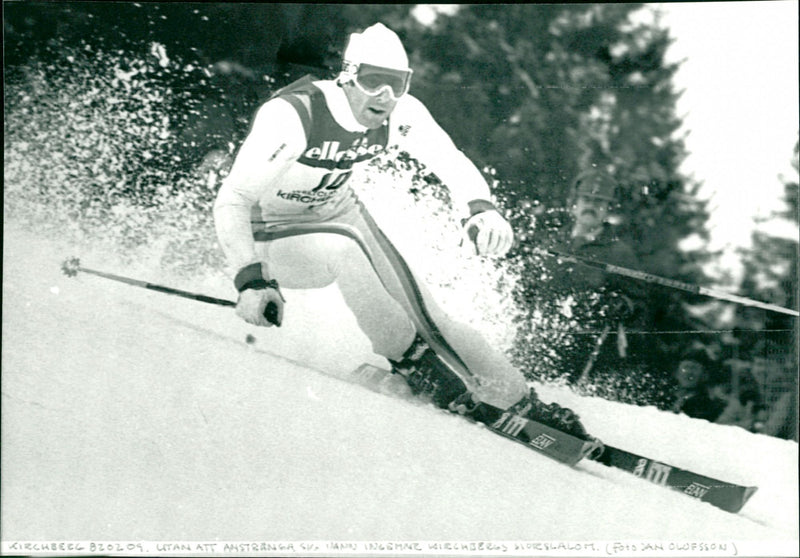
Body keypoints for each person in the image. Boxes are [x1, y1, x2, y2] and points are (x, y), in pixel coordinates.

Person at [213, 23, 595, 440]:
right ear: (347, 76)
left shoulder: (402, 114)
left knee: (427, 309)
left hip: (341, 218)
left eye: (398, 84)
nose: (385, 98)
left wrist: (481, 209)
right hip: (272, 238)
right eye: (373, 81)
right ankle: (411, 362)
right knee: (345, 247)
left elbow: (450, 161)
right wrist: (250, 279)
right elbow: (232, 200)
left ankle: (521, 399)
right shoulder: (295, 114)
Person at [670, 349, 727, 422]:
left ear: (705, 376)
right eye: (685, 367)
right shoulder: (665, 398)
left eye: (694, 368)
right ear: (676, 373)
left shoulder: (707, 406)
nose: (689, 373)